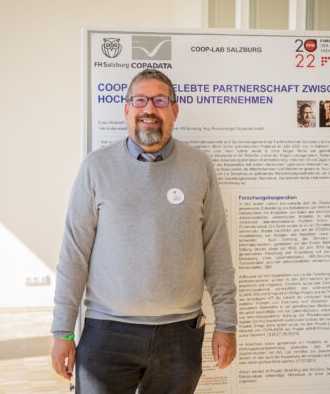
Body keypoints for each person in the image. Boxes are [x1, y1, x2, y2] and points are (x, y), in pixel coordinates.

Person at [51, 69, 237, 394]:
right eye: (139, 100)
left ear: (174, 110)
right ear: (126, 110)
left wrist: (227, 324)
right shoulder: (96, 167)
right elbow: (74, 254)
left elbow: (216, 250)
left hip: (179, 336)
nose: (149, 108)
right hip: (107, 332)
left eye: (160, 101)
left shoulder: (199, 166)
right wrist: (62, 331)